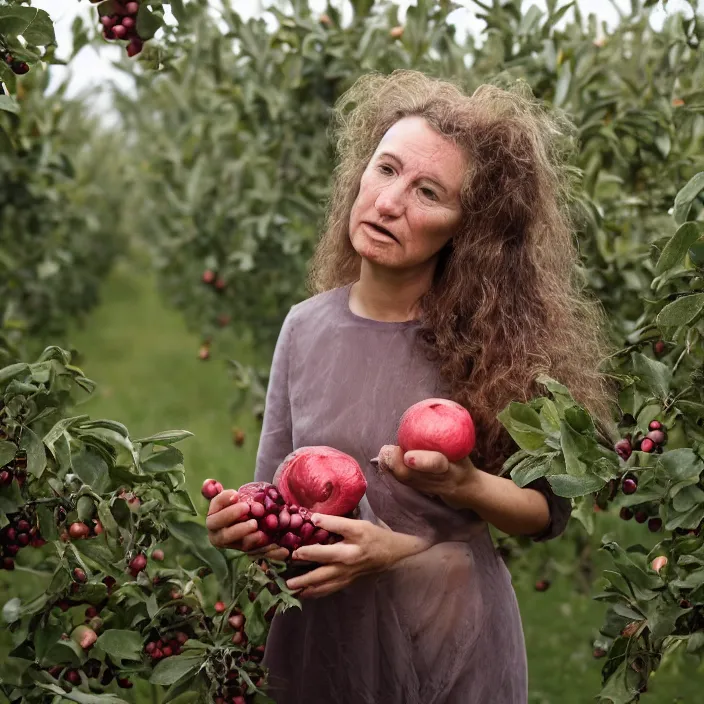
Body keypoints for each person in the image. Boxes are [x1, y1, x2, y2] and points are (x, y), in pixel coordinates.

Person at [206, 69, 614, 704]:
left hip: (447, 631)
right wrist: (245, 524)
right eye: (386, 169)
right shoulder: (305, 326)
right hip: (330, 636)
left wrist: (466, 484)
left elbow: (547, 511)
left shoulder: (489, 343)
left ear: (466, 229)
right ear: (359, 173)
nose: (390, 202)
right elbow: (274, 489)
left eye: (428, 191)